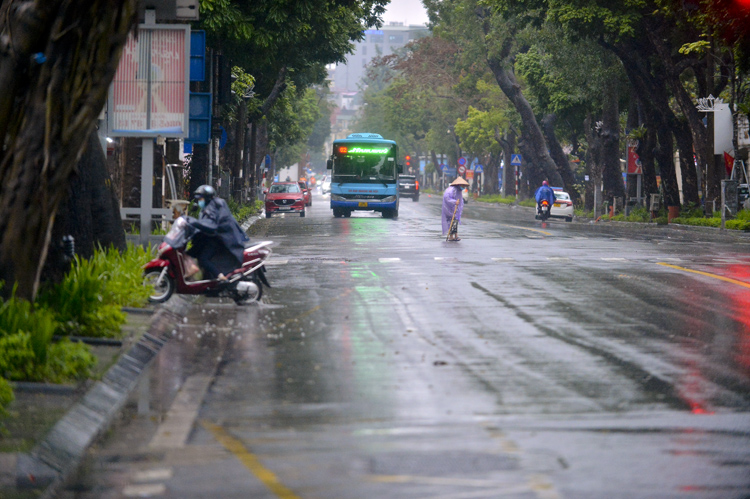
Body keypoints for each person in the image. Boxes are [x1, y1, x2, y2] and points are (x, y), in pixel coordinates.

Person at [187, 185, 249, 281]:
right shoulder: (210, 206)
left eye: (201, 199)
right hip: (213, 236)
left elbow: (211, 224)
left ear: (207, 198)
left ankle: (220, 276)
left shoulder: (214, 206)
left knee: (203, 258)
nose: (199, 201)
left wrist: (195, 223)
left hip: (221, 238)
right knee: (192, 252)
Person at [442, 177, 469, 241]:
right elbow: (446, 198)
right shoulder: (451, 190)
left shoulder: (459, 190)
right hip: (449, 208)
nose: (463, 187)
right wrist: (454, 202)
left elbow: (460, 200)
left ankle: (455, 235)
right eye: (462, 185)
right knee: (451, 222)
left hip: (455, 209)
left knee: (455, 222)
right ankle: (451, 236)